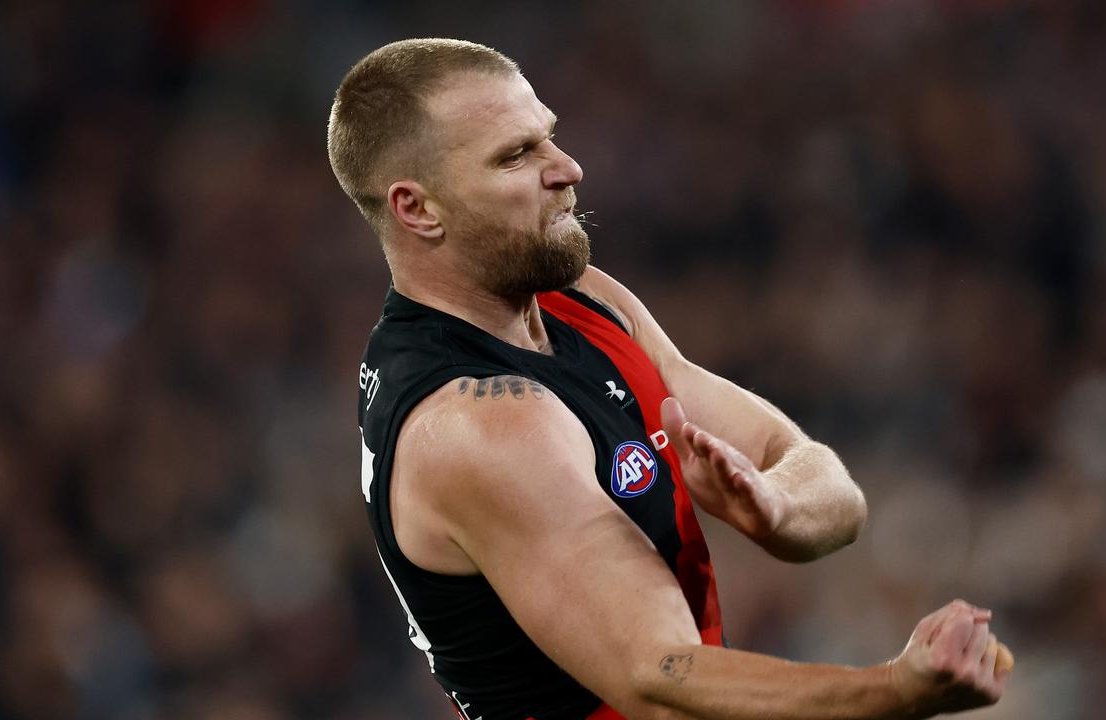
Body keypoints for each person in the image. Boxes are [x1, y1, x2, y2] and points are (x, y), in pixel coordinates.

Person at [328, 38, 1011, 720]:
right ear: (417, 209)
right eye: (516, 155)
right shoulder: (481, 425)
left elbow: (821, 481)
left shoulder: (584, 303)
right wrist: (897, 691)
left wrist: (775, 510)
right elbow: (660, 684)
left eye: (549, 137)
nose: (567, 168)